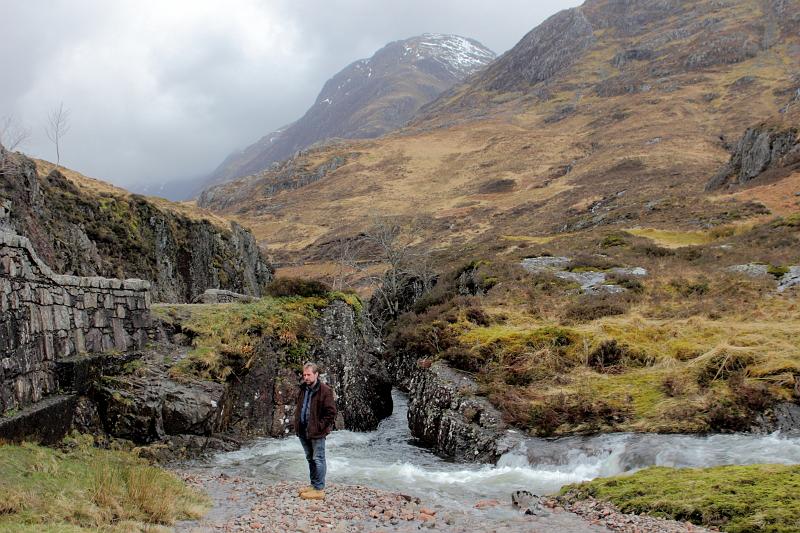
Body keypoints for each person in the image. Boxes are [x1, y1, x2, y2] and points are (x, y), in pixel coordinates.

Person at [294, 361, 337, 499]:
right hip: (303, 430)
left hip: (316, 431)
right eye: (304, 374)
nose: (306, 377)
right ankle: (313, 485)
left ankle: (319, 488)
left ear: (316, 374)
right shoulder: (303, 388)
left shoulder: (325, 390)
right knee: (310, 458)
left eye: (309, 374)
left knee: (318, 458)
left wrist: (319, 426)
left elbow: (331, 413)